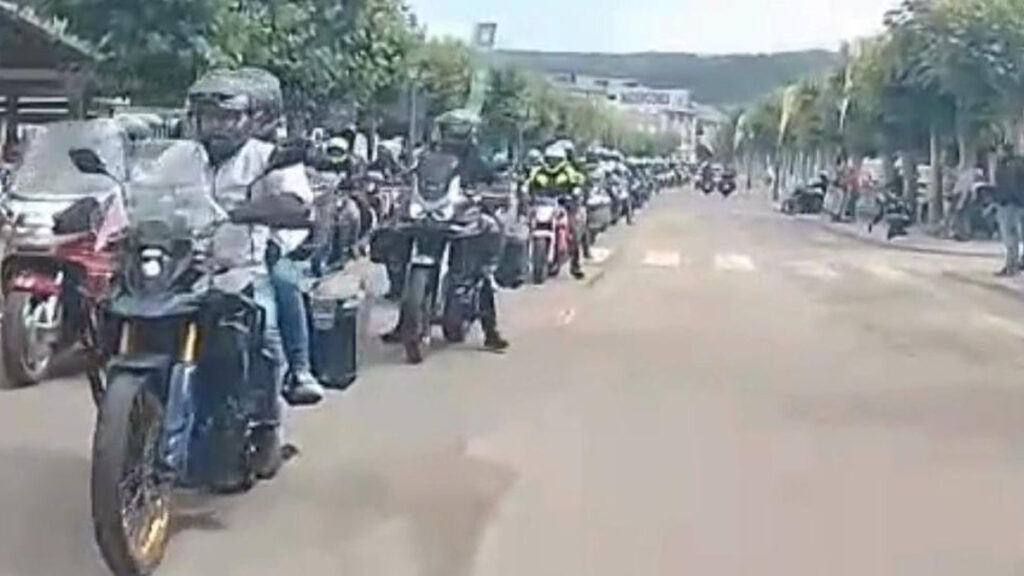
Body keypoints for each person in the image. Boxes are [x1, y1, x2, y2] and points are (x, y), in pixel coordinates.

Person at [166, 68, 326, 409]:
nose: (218, 126)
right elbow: (143, 189)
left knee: (267, 329)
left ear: (249, 118)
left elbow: (298, 207)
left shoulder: (268, 156)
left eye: (228, 118)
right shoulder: (178, 156)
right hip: (181, 268)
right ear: (195, 120)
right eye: (210, 118)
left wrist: (249, 212)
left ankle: (280, 400)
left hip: (243, 269)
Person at [381, 110, 509, 351]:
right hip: (431, 214)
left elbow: (492, 178)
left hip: (462, 214)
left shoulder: (476, 157)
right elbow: (413, 175)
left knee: (480, 272)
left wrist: (489, 191)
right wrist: (402, 186)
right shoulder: (429, 156)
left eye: (458, 130)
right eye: (450, 129)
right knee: (394, 232)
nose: (453, 135)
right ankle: (404, 323)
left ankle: (490, 331)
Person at [527, 143, 587, 279]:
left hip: (563, 206)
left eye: (556, 160)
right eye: (550, 159)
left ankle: (575, 266)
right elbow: (529, 183)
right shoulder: (538, 171)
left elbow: (578, 181)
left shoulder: (568, 171)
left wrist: (575, 192)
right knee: (525, 228)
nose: (553, 163)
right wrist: (528, 193)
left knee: (573, 232)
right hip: (542, 205)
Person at [993, 144, 1024, 276]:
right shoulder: (1009, 165)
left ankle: (1012, 266)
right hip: (1011, 203)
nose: (998, 153)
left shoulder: (1010, 167)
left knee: (1010, 237)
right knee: (1012, 237)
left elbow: (1009, 186)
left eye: (1000, 150)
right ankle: (1012, 265)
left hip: (1010, 203)